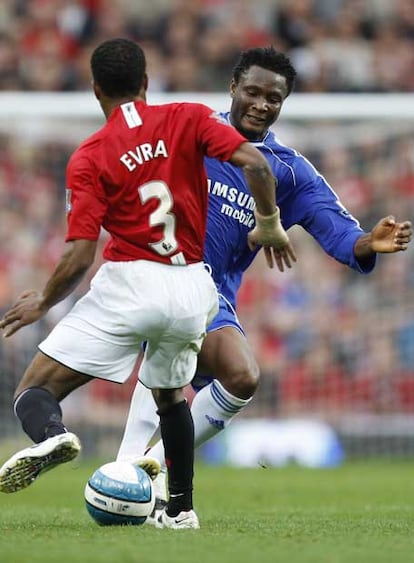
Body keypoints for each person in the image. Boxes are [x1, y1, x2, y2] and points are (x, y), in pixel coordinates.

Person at [0, 39, 296, 530]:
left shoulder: (90, 156)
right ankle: (181, 510)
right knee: (171, 399)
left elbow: (79, 253)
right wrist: (268, 221)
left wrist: (44, 301)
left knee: (34, 390)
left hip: (130, 282)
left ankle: (52, 435)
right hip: (191, 288)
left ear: (96, 90)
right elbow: (259, 164)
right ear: (145, 83)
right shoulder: (188, 116)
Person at [114, 46, 413, 522]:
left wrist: (366, 244)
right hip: (153, 279)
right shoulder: (186, 134)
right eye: (252, 91)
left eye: (273, 98)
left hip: (213, 298)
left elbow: (335, 230)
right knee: (173, 348)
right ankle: (127, 468)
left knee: (242, 377)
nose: (261, 103)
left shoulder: (289, 171)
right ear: (233, 87)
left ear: (283, 102)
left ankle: (144, 471)